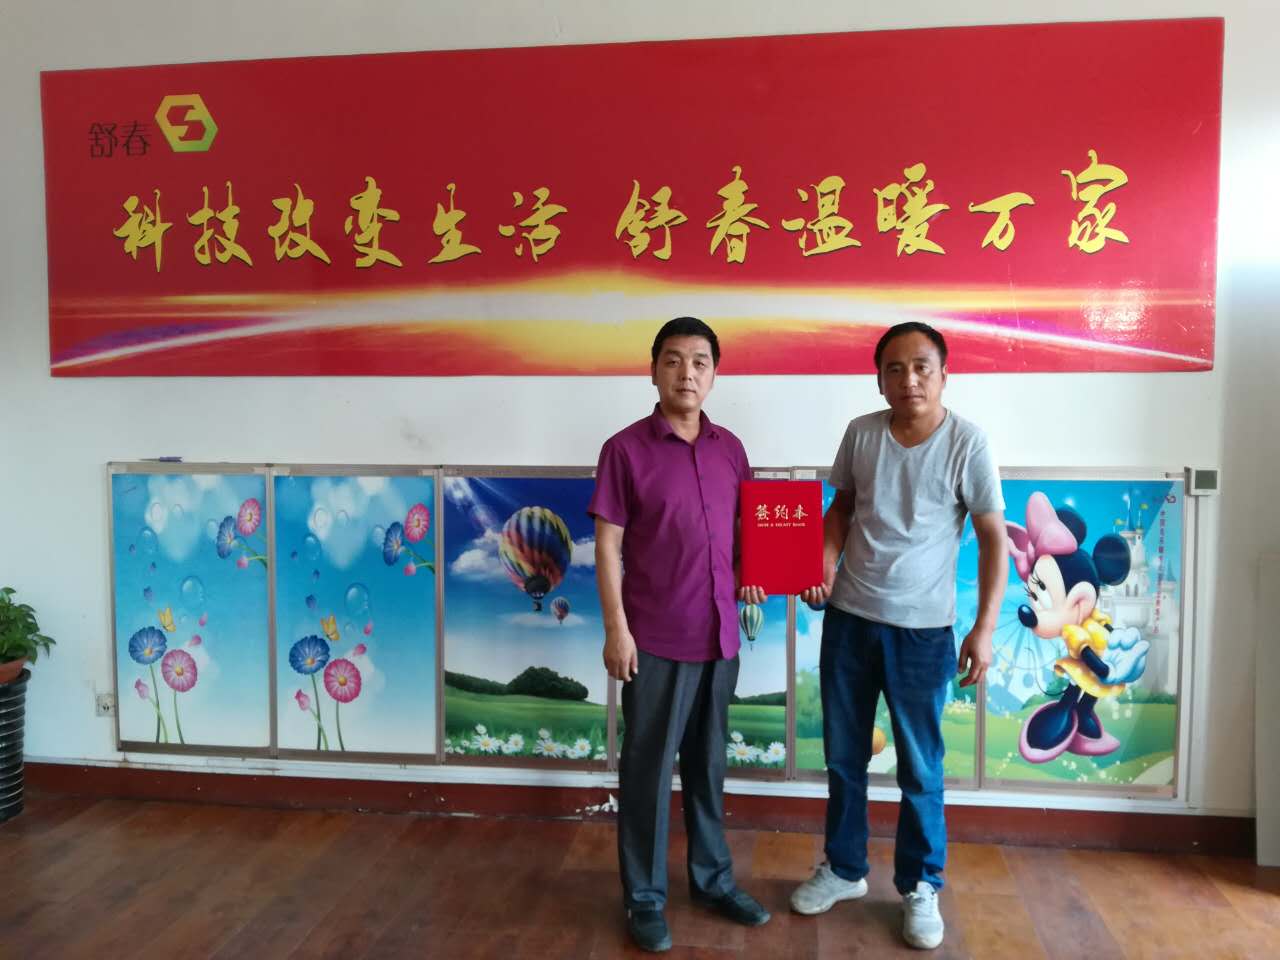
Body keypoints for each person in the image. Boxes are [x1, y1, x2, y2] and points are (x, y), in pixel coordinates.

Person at [790, 321, 1007, 951]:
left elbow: (993, 537)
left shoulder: (968, 442)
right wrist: (822, 563)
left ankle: (920, 884)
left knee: (920, 765)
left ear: (944, 374)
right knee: (843, 757)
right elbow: (840, 509)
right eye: (894, 368)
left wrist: (984, 628)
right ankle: (844, 868)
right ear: (879, 378)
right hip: (849, 621)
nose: (908, 379)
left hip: (923, 634)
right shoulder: (861, 434)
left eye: (921, 367)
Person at [589, 317, 770, 953]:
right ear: (653, 371)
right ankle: (643, 898)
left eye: (699, 361)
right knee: (646, 774)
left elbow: (749, 538)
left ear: (714, 374)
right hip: (655, 641)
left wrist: (756, 573)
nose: (686, 373)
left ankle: (713, 881)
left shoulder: (731, 449)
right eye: (673, 360)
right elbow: (607, 546)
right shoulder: (625, 450)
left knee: (708, 768)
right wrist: (617, 630)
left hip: (720, 638)